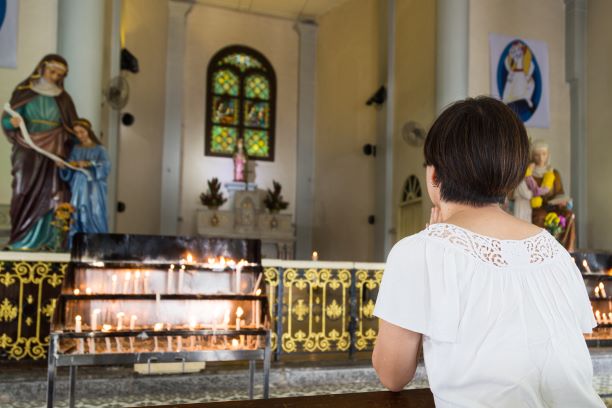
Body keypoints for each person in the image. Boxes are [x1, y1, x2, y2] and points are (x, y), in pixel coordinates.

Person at [372, 97, 603, 407]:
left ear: (434, 175)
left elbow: (393, 374)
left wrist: (432, 242)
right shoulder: (553, 249)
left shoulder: (418, 252)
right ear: (513, 175)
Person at [1, 54, 78, 250]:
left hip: (54, 150)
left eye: (59, 74)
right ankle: (20, 238)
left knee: (52, 192)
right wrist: (13, 122)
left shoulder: (63, 98)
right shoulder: (24, 91)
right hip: (27, 147)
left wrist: (66, 151)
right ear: (42, 68)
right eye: (52, 71)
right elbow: (7, 120)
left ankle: (49, 240)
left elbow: (72, 129)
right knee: (22, 188)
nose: (54, 77)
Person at [59, 118, 110, 247]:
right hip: (78, 186)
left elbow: (105, 167)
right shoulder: (76, 149)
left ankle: (96, 246)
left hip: (93, 188)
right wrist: (63, 166)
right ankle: (77, 246)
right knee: (77, 213)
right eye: (76, 133)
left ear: (88, 131)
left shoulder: (99, 149)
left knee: (94, 214)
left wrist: (89, 164)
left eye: (82, 131)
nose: (79, 135)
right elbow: (70, 167)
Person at [529, 140, 576, 251]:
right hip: (537, 208)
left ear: (548, 155)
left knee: (569, 215)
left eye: (544, 154)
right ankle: (542, 251)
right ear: (532, 156)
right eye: (537, 155)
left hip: (554, 207)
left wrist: (562, 202)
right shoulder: (529, 175)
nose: (541, 158)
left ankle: (567, 251)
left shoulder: (554, 173)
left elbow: (559, 194)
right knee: (541, 217)